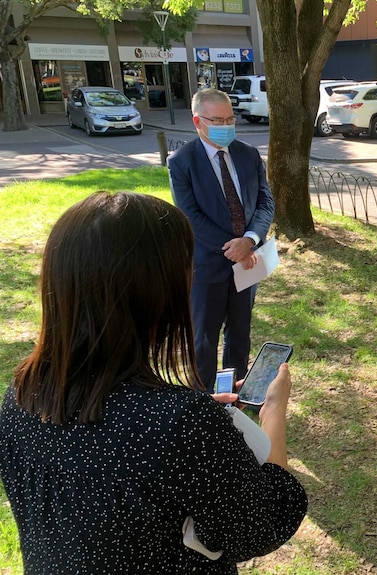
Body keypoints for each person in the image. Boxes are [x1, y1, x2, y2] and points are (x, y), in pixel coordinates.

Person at [0, 191, 307, 574]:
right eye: (186, 268)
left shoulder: (20, 395)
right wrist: (274, 412)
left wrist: (191, 426)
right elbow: (263, 524)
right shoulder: (181, 426)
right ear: (155, 291)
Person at [168, 87, 274, 392]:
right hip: (207, 266)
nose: (226, 126)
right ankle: (203, 404)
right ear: (197, 121)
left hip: (249, 261)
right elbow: (190, 216)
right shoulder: (181, 162)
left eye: (230, 120)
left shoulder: (248, 154)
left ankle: (234, 395)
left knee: (240, 335)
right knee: (203, 340)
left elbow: (265, 202)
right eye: (217, 120)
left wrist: (250, 240)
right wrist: (235, 247)